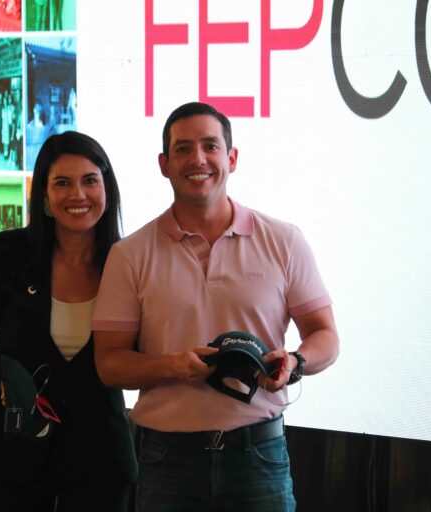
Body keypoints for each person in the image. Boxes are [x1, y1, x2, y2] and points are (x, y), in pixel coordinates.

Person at [92, 102, 340, 511]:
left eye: (210, 146)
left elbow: (326, 335)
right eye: (183, 149)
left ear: (232, 158)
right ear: (164, 164)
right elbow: (109, 364)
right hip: (166, 460)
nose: (198, 159)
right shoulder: (130, 254)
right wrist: (172, 366)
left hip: (258, 455)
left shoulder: (284, 240)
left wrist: (296, 362)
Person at [0, 131, 137, 511]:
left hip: (100, 456)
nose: (78, 195)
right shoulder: (5, 254)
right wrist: (0, 376)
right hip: (15, 444)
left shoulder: (131, 262)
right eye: (62, 183)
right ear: (45, 196)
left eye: (90, 181)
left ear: (107, 188)